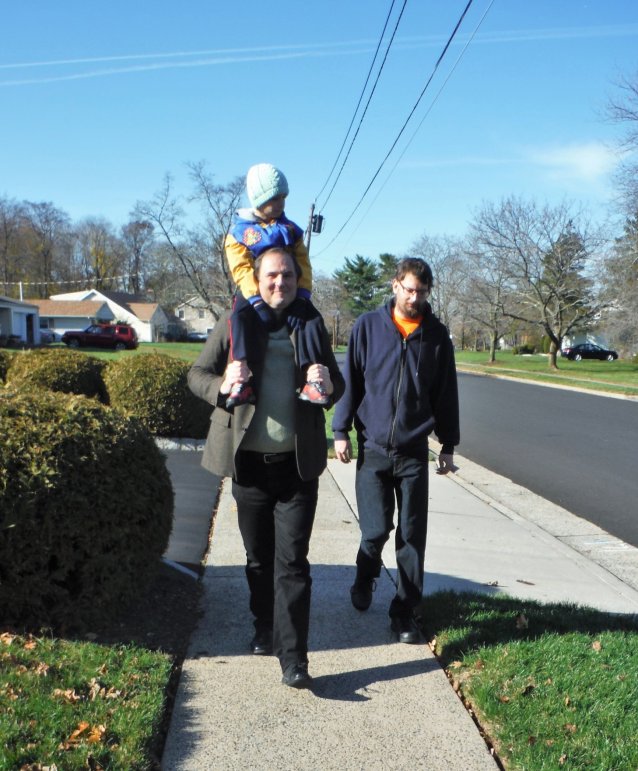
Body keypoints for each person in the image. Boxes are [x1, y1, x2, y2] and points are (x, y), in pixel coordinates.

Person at [188, 247, 344, 688]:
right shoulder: (236, 320)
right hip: (250, 467)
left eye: (288, 276)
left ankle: (294, 659)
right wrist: (224, 386)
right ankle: (264, 625)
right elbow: (197, 374)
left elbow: (337, 381)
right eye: (272, 276)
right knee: (259, 560)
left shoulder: (310, 324)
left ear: (298, 279)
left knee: (292, 563)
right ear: (256, 279)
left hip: (297, 467)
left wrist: (331, 386)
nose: (280, 283)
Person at [332, 257, 459, 644]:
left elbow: (445, 394)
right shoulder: (368, 327)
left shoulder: (436, 337)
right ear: (395, 286)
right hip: (372, 448)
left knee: (411, 534)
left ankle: (404, 611)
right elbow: (351, 381)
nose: (413, 297)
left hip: (413, 453)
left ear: (427, 292)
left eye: (420, 291)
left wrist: (448, 446)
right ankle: (365, 574)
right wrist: (340, 430)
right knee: (375, 529)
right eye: (408, 289)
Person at [224, 162, 328, 409]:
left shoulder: (291, 230)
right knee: (238, 317)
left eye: (284, 197)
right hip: (252, 294)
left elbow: (303, 262)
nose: (281, 203)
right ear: (259, 200)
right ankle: (242, 377)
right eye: (275, 198)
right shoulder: (240, 233)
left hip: (291, 295)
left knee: (311, 321)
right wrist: (256, 300)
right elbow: (241, 269)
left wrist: (303, 296)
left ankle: (312, 380)